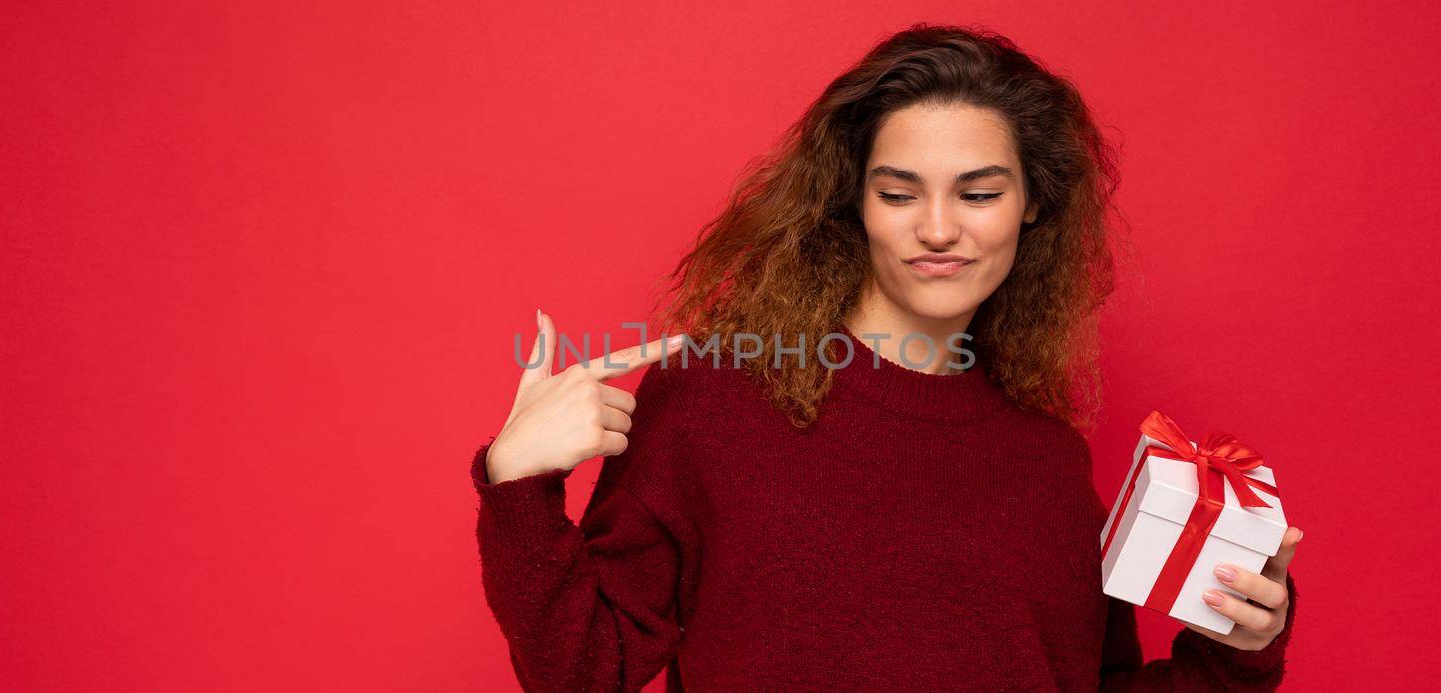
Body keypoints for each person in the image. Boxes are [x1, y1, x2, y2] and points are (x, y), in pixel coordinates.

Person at [471, 23, 1301, 691]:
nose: (937, 228)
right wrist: (517, 484)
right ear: (854, 203)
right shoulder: (711, 401)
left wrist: (1236, 653)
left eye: (978, 192)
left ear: (1035, 205)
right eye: (899, 192)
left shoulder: (1048, 459)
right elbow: (584, 669)